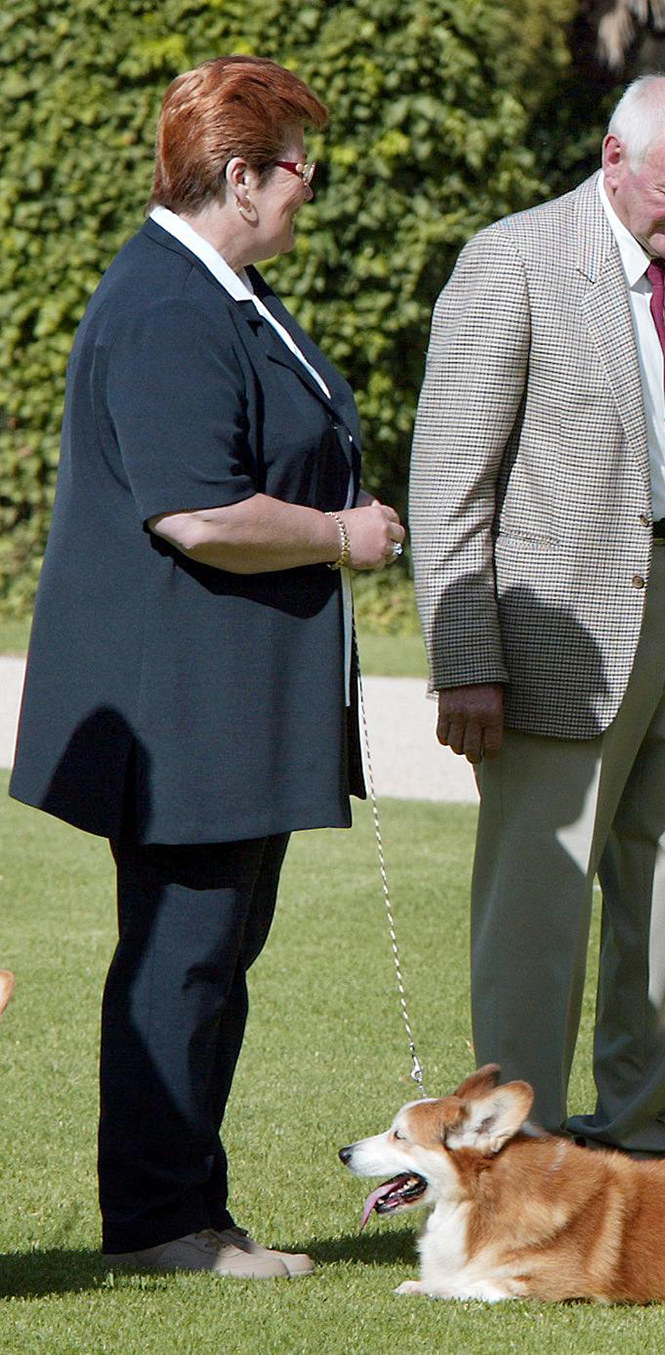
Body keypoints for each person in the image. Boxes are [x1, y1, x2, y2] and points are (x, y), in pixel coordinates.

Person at [8, 56, 404, 1278]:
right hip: (188, 703)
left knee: (209, 958)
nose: (305, 196)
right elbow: (194, 513)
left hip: (229, 694)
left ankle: (190, 1209)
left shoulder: (221, 290)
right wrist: (345, 535)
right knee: (184, 961)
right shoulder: (171, 306)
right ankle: (163, 1225)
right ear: (239, 176)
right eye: (298, 174)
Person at [408, 75, 665, 1159]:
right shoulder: (512, 259)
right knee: (536, 909)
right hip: (553, 632)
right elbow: (450, 485)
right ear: (612, 158)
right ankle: (517, 1152)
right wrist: (465, 657)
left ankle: (643, 1139)